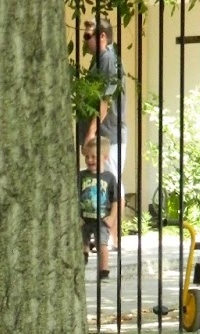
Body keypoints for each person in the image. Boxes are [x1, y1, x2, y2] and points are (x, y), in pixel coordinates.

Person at [87, 19, 126, 247]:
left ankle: (113, 237)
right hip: (105, 132)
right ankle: (103, 235)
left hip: (109, 133)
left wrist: (92, 130)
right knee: (101, 182)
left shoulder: (109, 59)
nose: (85, 41)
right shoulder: (99, 60)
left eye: (88, 36)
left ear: (102, 36)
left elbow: (106, 99)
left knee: (111, 181)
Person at [79, 135, 118, 277]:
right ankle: (82, 263)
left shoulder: (109, 177)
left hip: (102, 220)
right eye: (87, 157)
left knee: (102, 245)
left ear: (105, 157)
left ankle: (103, 271)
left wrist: (112, 217)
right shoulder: (81, 176)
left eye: (94, 157)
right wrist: (77, 216)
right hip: (84, 219)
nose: (90, 160)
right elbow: (74, 197)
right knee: (81, 243)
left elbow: (115, 200)